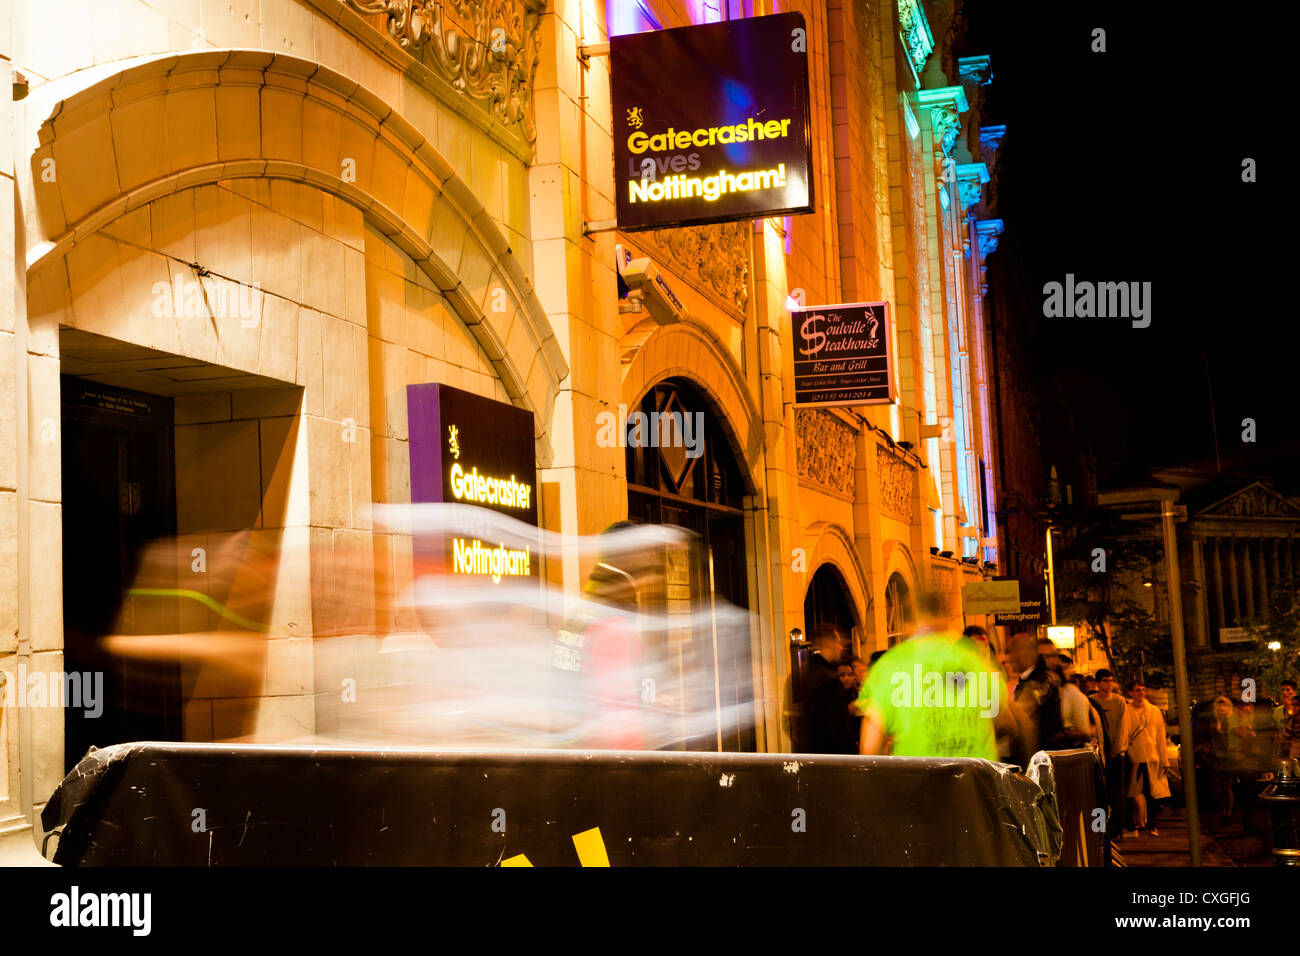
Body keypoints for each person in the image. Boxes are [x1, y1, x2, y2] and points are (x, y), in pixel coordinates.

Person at [858, 592, 1018, 760]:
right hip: (975, 779)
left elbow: (869, 749)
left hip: (920, 779)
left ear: (908, 624)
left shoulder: (890, 666)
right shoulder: (975, 660)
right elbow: (1008, 724)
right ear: (945, 619)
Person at [1090, 668, 1136, 837]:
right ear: (1097, 683)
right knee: (1097, 792)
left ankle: (1117, 828)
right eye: (1105, 681)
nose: (1109, 684)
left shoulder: (1119, 701)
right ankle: (1099, 828)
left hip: (1116, 755)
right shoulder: (1090, 701)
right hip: (1097, 754)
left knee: (1116, 792)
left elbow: (1124, 727)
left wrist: (1116, 750)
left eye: (1111, 680)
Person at [1123, 682, 1169, 837]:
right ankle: (1132, 825)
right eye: (1137, 690)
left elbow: (1160, 736)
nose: (1141, 693)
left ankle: (1152, 824)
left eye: (1143, 690)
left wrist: (1164, 759)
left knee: (1152, 794)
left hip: (1151, 756)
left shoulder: (1154, 711)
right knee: (1131, 793)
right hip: (1133, 756)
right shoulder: (1126, 710)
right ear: (1131, 693)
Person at [804, 623, 854, 754]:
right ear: (828, 643)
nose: (840, 647)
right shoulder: (830, 679)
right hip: (833, 756)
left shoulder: (806, 673)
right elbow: (839, 727)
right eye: (837, 642)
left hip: (811, 754)